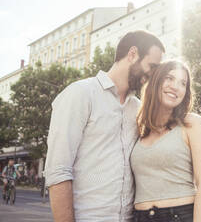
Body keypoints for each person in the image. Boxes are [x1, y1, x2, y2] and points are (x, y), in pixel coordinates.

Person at [44, 30, 164, 222]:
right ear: (132, 54)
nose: (154, 75)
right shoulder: (80, 94)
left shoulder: (138, 108)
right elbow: (58, 171)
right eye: (152, 66)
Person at [131, 60, 201, 222]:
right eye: (169, 78)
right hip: (139, 217)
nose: (175, 87)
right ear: (156, 82)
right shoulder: (139, 129)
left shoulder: (191, 123)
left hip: (180, 216)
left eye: (182, 83)